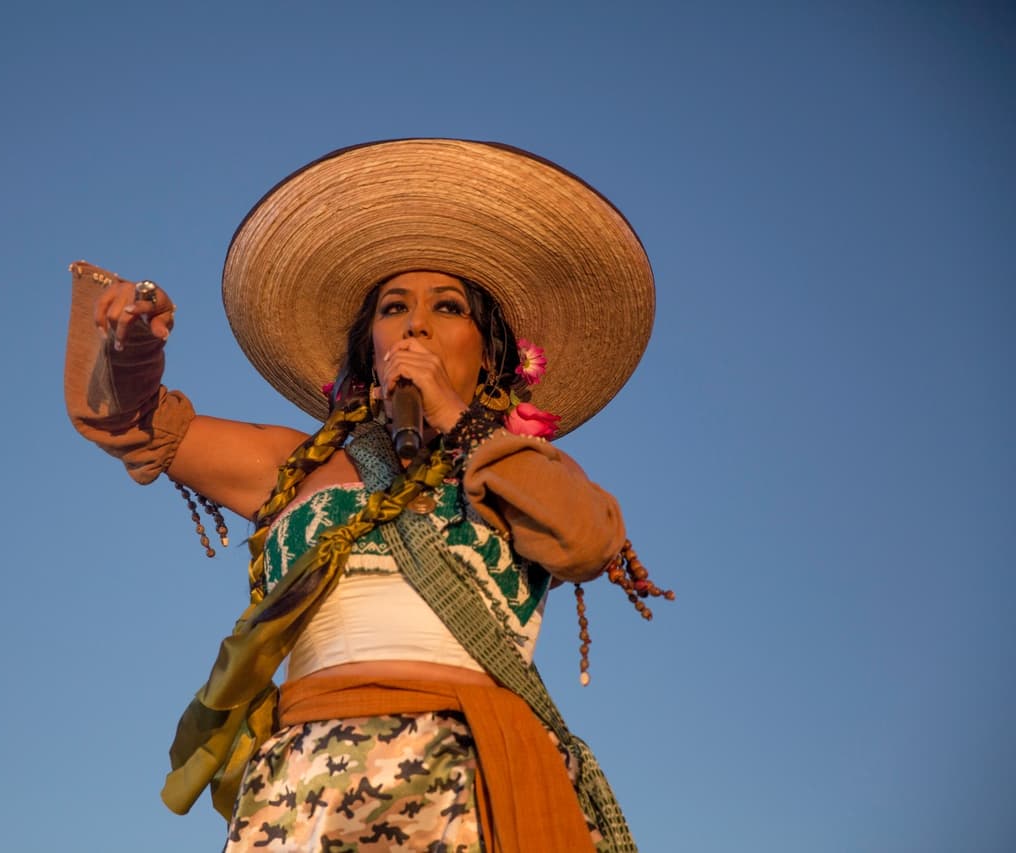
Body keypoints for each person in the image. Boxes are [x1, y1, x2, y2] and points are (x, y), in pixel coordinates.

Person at [63, 139, 668, 852]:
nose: (415, 323)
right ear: (367, 349)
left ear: (491, 351)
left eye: (448, 307)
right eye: (393, 306)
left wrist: (452, 417)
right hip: (309, 786)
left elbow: (589, 539)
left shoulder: (519, 471)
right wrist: (128, 347)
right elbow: (134, 425)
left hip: (476, 783)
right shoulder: (295, 465)